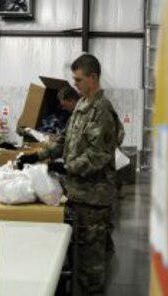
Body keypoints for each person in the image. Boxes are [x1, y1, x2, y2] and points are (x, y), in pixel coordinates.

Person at [18, 54, 124, 295]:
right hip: (79, 195)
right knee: (80, 256)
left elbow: (99, 156)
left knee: (91, 266)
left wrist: (65, 167)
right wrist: (37, 156)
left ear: (93, 78)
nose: (74, 85)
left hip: (94, 200)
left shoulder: (102, 111)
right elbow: (64, 140)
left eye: (78, 80)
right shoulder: (82, 107)